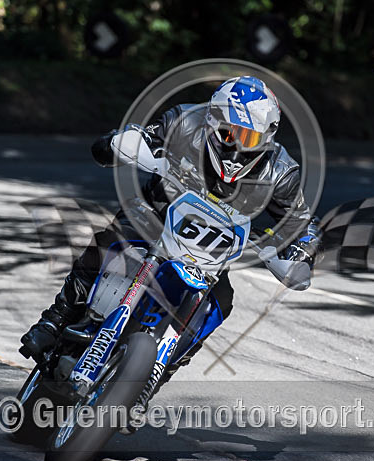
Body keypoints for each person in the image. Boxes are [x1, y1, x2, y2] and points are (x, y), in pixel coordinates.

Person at [19, 76, 320, 387]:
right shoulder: (183, 122)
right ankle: (55, 319)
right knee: (113, 237)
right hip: (154, 219)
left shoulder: (280, 172)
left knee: (222, 301)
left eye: (251, 138)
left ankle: (158, 376)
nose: (238, 148)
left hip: (207, 254)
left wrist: (303, 250)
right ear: (212, 121)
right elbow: (137, 140)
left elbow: (302, 222)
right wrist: (123, 143)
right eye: (231, 134)